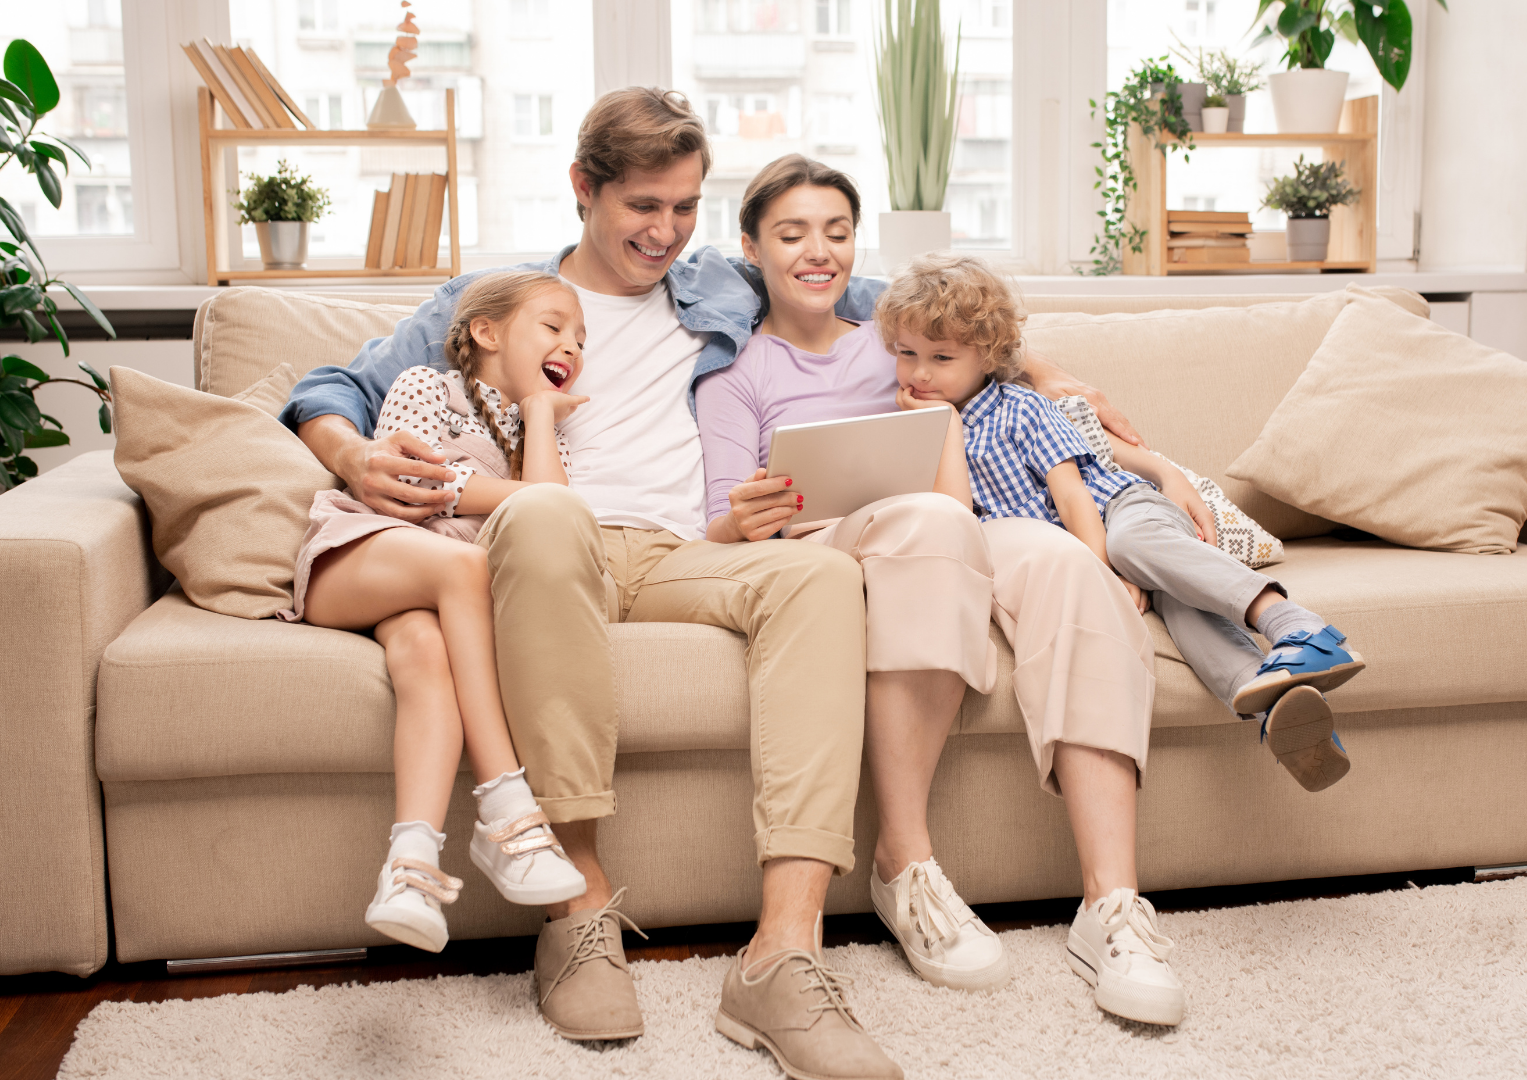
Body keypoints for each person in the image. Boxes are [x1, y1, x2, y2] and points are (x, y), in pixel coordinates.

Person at [280, 89, 1139, 1076]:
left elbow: (883, 297)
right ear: (582, 189)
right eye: (643, 205)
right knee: (549, 512)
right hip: (553, 540)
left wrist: (1041, 364)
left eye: (684, 206)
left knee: (817, 580)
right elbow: (331, 386)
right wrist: (346, 454)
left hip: (687, 549)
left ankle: (784, 953)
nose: (664, 230)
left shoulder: (716, 288)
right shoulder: (499, 295)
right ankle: (580, 906)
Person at [695, 155, 1184, 1012]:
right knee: (932, 521)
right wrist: (752, 512)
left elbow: (983, 340)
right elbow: (716, 524)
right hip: (835, 539)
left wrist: (1149, 461)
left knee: (1073, 566)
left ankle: (1112, 905)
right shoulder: (738, 373)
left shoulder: (896, 341)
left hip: (966, 523)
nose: (820, 251)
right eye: (793, 233)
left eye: (838, 233)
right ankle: (905, 866)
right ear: (751, 248)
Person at [877, 251, 1367, 1021]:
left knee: (1142, 557)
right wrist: (933, 421)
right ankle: (1267, 700)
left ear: (989, 354)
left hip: (1121, 517)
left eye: (942, 357)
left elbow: (1076, 500)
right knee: (1182, 614)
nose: (922, 370)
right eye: (907, 355)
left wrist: (1103, 568)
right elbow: (956, 513)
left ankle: (1289, 620)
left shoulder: (1018, 404)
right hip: (1070, 543)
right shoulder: (922, 416)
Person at [284, 270, 593, 954]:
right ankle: (509, 812)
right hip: (364, 555)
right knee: (467, 564)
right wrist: (515, 485)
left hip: (431, 595)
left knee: (426, 656)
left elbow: (551, 508)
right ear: (484, 332)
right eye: (553, 327)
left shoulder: (532, 429)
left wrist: (540, 413)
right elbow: (423, 485)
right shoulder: (428, 385)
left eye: (580, 338)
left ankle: (411, 871)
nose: (571, 346)